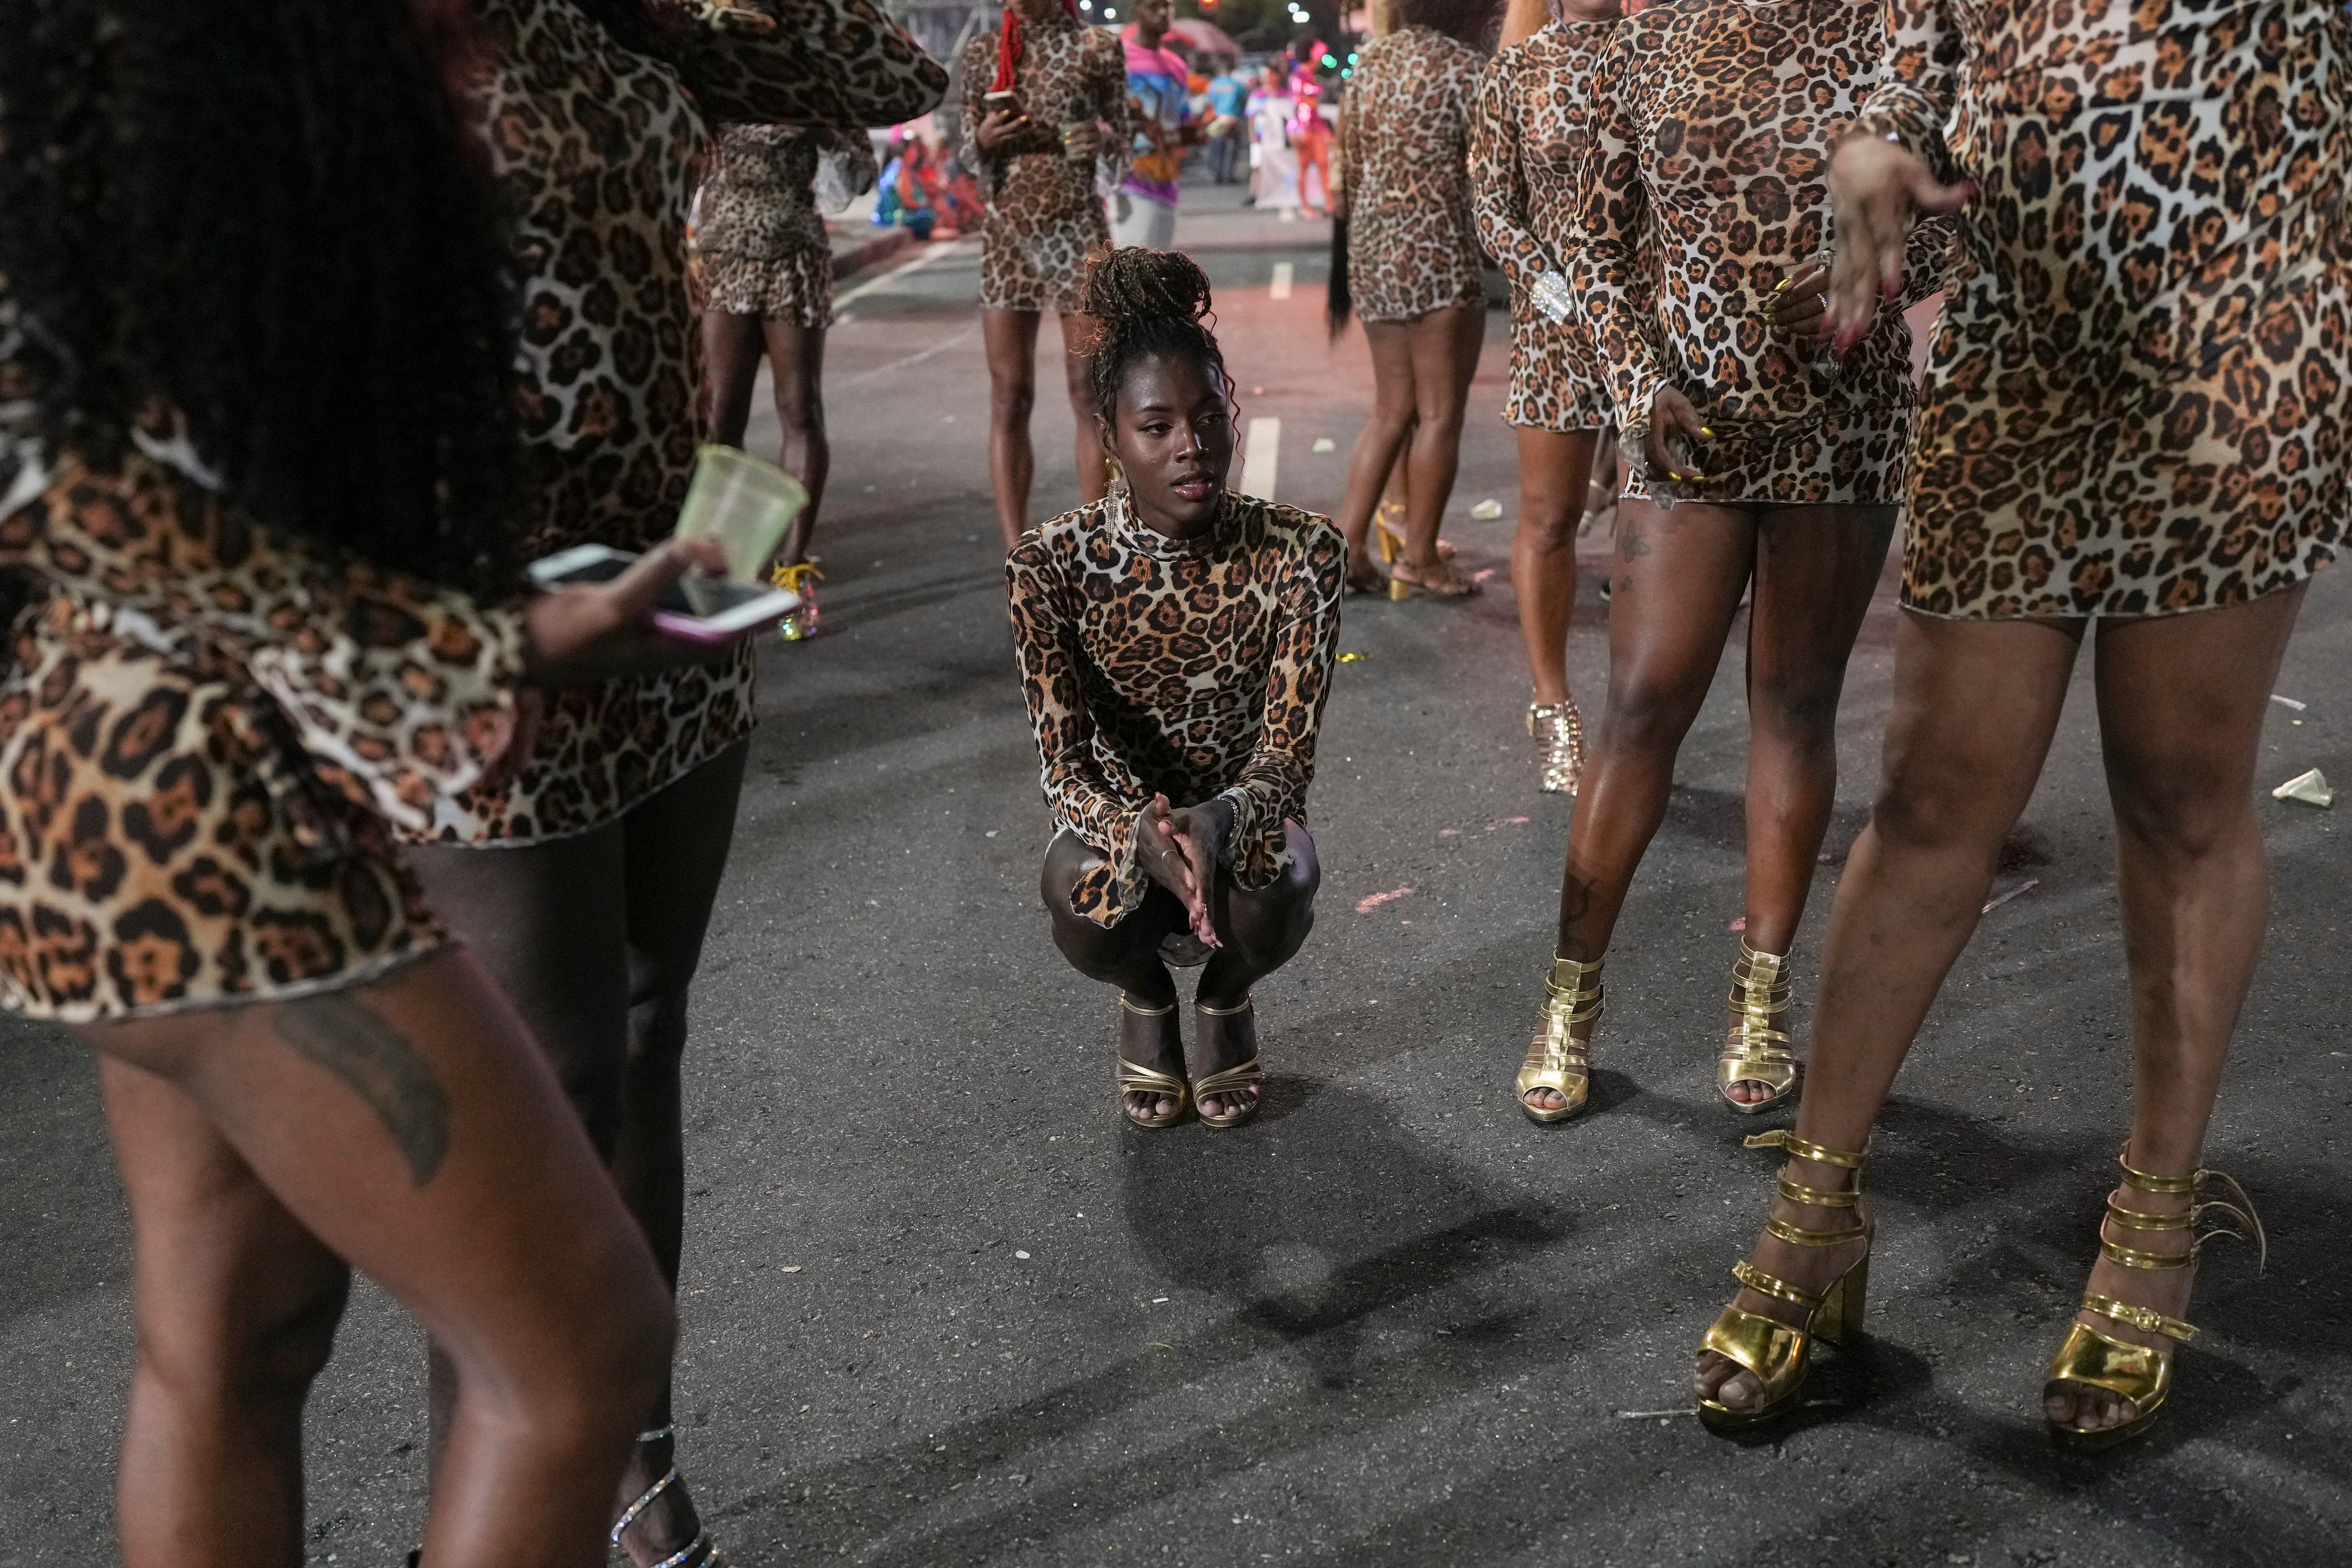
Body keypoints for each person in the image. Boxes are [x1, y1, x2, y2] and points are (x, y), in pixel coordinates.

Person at [0, 1, 761, 1559]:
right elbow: (86, 501)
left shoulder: (257, 108)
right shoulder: (154, 89)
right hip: (198, 815)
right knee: (578, 1354)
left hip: (119, 801)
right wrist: (485, 646)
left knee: (232, 1341)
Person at [1693, 0, 2348, 1447]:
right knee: (1936, 792)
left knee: (2180, 797)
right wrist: (1874, 142)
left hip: (2241, 337)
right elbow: (1914, 48)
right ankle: (1816, 1218)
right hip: (2021, 344)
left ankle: (2154, 1224)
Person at [401, 3, 944, 1565]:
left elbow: (880, 76)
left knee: (647, 1037)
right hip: (489, 615)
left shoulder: (618, 22)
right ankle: (490, 1517)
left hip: (675, 588)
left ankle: (633, 1452)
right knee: (535, 1108)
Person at [1508, 0, 1950, 1124]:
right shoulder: (1647, 44)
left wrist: (1880, 276)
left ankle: (1760, 999)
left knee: (1795, 710)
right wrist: (1635, 383)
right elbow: (1595, 248)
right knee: (1641, 706)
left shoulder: (1887, 36)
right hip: (1684, 424)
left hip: (1838, 426)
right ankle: (1568, 999)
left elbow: (1961, 217)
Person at [1008, 249, 1344, 1131]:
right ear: (1111, 438)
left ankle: (1226, 996)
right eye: (1156, 427)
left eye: (1207, 417)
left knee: (1283, 870)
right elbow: (1062, 770)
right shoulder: (1050, 567)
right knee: (1078, 890)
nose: (1191, 447)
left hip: (1238, 814)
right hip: (1120, 820)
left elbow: (1285, 757)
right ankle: (1148, 996)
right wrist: (1136, 831)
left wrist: (1220, 818)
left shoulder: (1300, 552)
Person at [1467, 0, 1621, 794]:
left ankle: (1640, 712)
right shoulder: (1519, 69)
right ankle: (1552, 703)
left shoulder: (1654, 50)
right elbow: (1493, 204)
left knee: (1660, 522)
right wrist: (1551, 288)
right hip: (1557, 326)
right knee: (1550, 517)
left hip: (1657, 324)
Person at [1330, 0, 1496, 600]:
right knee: (1440, 414)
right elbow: (1491, 174)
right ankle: (1420, 556)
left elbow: (1347, 163)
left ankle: (1348, 546)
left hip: (1373, 255)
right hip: (1439, 256)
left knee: (1391, 410)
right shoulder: (1467, 70)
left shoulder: (1370, 63)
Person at [696, 124, 881, 641]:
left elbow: (859, 178)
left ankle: (790, 574)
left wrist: (823, 130)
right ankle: (718, 570)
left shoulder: (813, 79)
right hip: (723, 255)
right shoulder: (717, 67)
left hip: (795, 256)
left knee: (799, 410)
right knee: (718, 420)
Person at [957, 0, 1128, 550]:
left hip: (1078, 227)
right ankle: (1017, 553)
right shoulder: (985, 53)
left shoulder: (1098, 48)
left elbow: (1123, 139)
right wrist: (982, 139)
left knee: (1088, 392)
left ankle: (1097, 543)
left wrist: (1101, 138)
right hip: (1007, 234)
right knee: (1010, 394)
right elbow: (965, 150)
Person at [1113, 0, 1199, 248]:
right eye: (1154, 6)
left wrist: (1197, 133)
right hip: (1128, 184)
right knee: (1130, 271)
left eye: (1168, 6)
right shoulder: (1119, 60)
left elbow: (1181, 124)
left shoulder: (1177, 66)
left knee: (1157, 274)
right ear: (1137, 10)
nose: (1163, 12)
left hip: (1167, 184)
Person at [1205, 66, 1250, 184]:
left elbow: (1210, 102)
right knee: (1233, 149)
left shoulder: (1214, 84)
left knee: (1218, 148)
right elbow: (1244, 100)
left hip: (1219, 119)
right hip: (1234, 120)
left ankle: (1218, 175)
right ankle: (1229, 175)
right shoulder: (1236, 84)